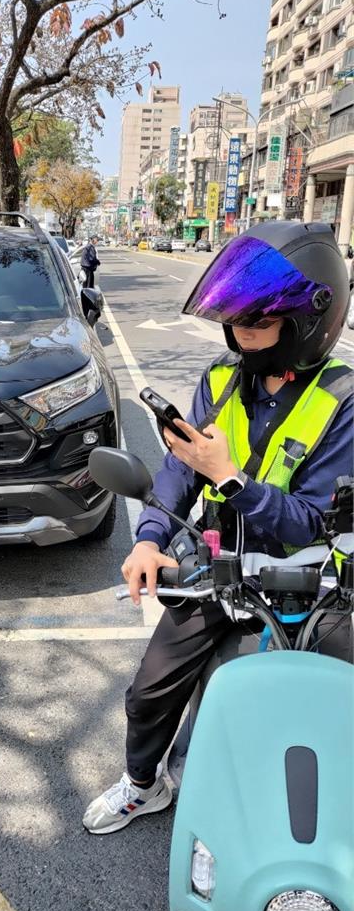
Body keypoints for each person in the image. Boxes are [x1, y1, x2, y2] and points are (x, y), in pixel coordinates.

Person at [83, 221, 353, 835]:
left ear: (312, 319)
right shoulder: (221, 379)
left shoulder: (344, 401)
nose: (241, 338)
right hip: (220, 572)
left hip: (311, 582)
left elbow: (308, 524)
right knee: (148, 693)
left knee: (330, 715)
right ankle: (144, 784)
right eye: (235, 324)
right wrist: (150, 537)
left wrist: (231, 480)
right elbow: (180, 471)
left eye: (257, 325)